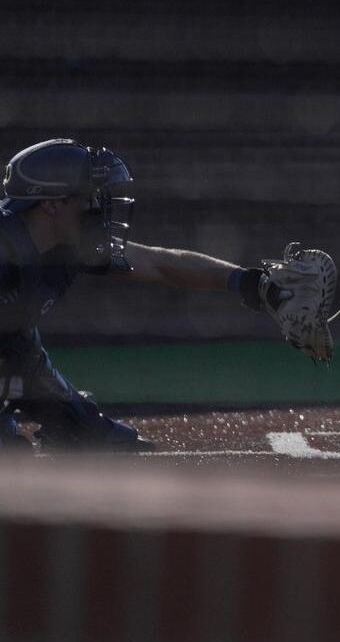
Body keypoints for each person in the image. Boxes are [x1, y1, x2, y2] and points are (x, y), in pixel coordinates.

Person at [0, 139, 315, 452]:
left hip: (19, 351)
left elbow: (161, 263)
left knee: (91, 433)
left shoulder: (66, 244)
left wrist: (248, 282)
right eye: (85, 198)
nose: (95, 207)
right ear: (51, 205)